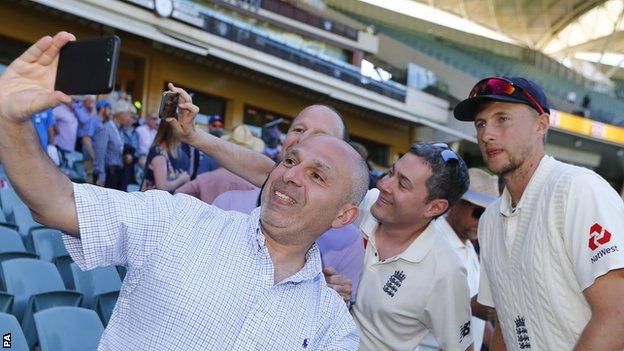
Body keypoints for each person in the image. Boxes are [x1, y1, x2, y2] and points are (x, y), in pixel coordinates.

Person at [0, 32, 368, 349]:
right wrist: (9, 119)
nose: (290, 176)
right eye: (290, 160)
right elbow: (57, 202)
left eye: (318, 176)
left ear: (344, 215)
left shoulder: (331, 326)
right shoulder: (179, 221)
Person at [453, 76, 624, 350]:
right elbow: (506, 324)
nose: (487, 134)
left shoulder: (577, 189)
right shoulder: (489, 220)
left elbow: (618, 314)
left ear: (541, 125)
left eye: (503, 119)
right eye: (481, 124)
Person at [418, 168, 499, 351]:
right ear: (456, 202)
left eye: (490, 217)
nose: (482, 222)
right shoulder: (431, 240)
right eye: (479, 213)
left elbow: (477, 322)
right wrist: (468, 306)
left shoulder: (470, 248)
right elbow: (410, 304)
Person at [141, 116, 190, 192]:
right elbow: (161, 187)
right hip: (152, 201)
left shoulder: (169, 152)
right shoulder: (158, 152)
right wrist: (181, 180)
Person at [93, 100, 131, 190]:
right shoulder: (106, 128)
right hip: (108, 174)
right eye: (128, 114)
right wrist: (101, 176)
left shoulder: (121, 130)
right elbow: (100, 152)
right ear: (121, 115)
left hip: (118, 174)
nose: (129, 118)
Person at [83, 99, 111, 183]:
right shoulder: (93, 121)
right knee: (89, 188)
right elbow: (86, 139)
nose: (110, 111)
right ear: (103, 108)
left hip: (100, 163)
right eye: (109, 108)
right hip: (91, 161)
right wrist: (94, 156)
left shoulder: (104, 123)